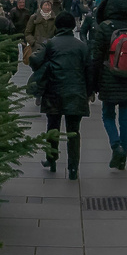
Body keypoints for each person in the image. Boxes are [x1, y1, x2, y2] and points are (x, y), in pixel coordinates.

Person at [28, 12, 91, 179]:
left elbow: (35, 61)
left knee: (53, 126)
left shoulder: (51, 44)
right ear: (72, 26)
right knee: (74, 131)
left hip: (53, 91)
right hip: (76, 93)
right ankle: (72, 168)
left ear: (57, 26)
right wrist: (89, 92)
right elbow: (89, 71)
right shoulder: (81, 46)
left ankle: (52, 158)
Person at [90, 0, 127, 169]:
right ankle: (123, 158)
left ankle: (115, 145)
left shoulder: (105, 28)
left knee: (107, 116)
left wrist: (93, 83)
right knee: (125, 120)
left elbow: (96, 58)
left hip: (109, 78)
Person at [24, 0, 56, 66]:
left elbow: (57, 33)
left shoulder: (54, 18)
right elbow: (28, 33)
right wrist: (33, 43)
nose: (47, 7)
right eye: (45, 5)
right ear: (41, 6)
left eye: (49, 5)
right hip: (37, 48)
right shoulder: (34, 17)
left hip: (51, 48)